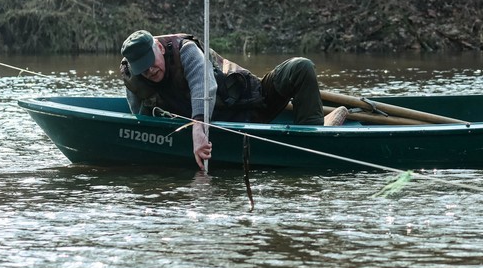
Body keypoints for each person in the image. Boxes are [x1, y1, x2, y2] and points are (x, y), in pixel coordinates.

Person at [118, 30, 347, 168]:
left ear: (159, 46)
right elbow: (142, 120)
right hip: (219, 123)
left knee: (301, 67)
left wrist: (198, 129)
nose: (149, 71)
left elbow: (203, 86)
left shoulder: (186, 50)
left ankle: (313, 140)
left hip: (251, 105)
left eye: (151, 62)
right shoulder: (134, 77)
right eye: (142, 68)